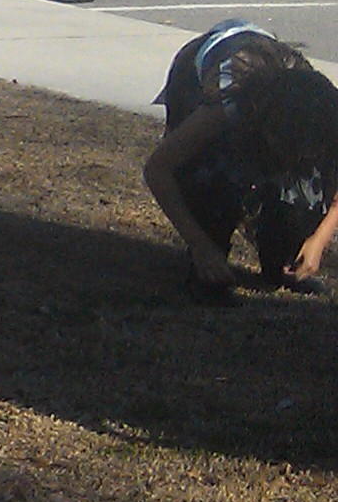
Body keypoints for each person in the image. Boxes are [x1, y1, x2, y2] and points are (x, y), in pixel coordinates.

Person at [143, 21, 338, 299]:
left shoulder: (325, 114)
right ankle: (209, 260)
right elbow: (158, 170)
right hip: (199, 69)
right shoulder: (227, 106)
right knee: (216, 179)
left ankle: (283, 259)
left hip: (265, 86)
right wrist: (200, 245)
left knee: (305, 192)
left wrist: (317, 239)